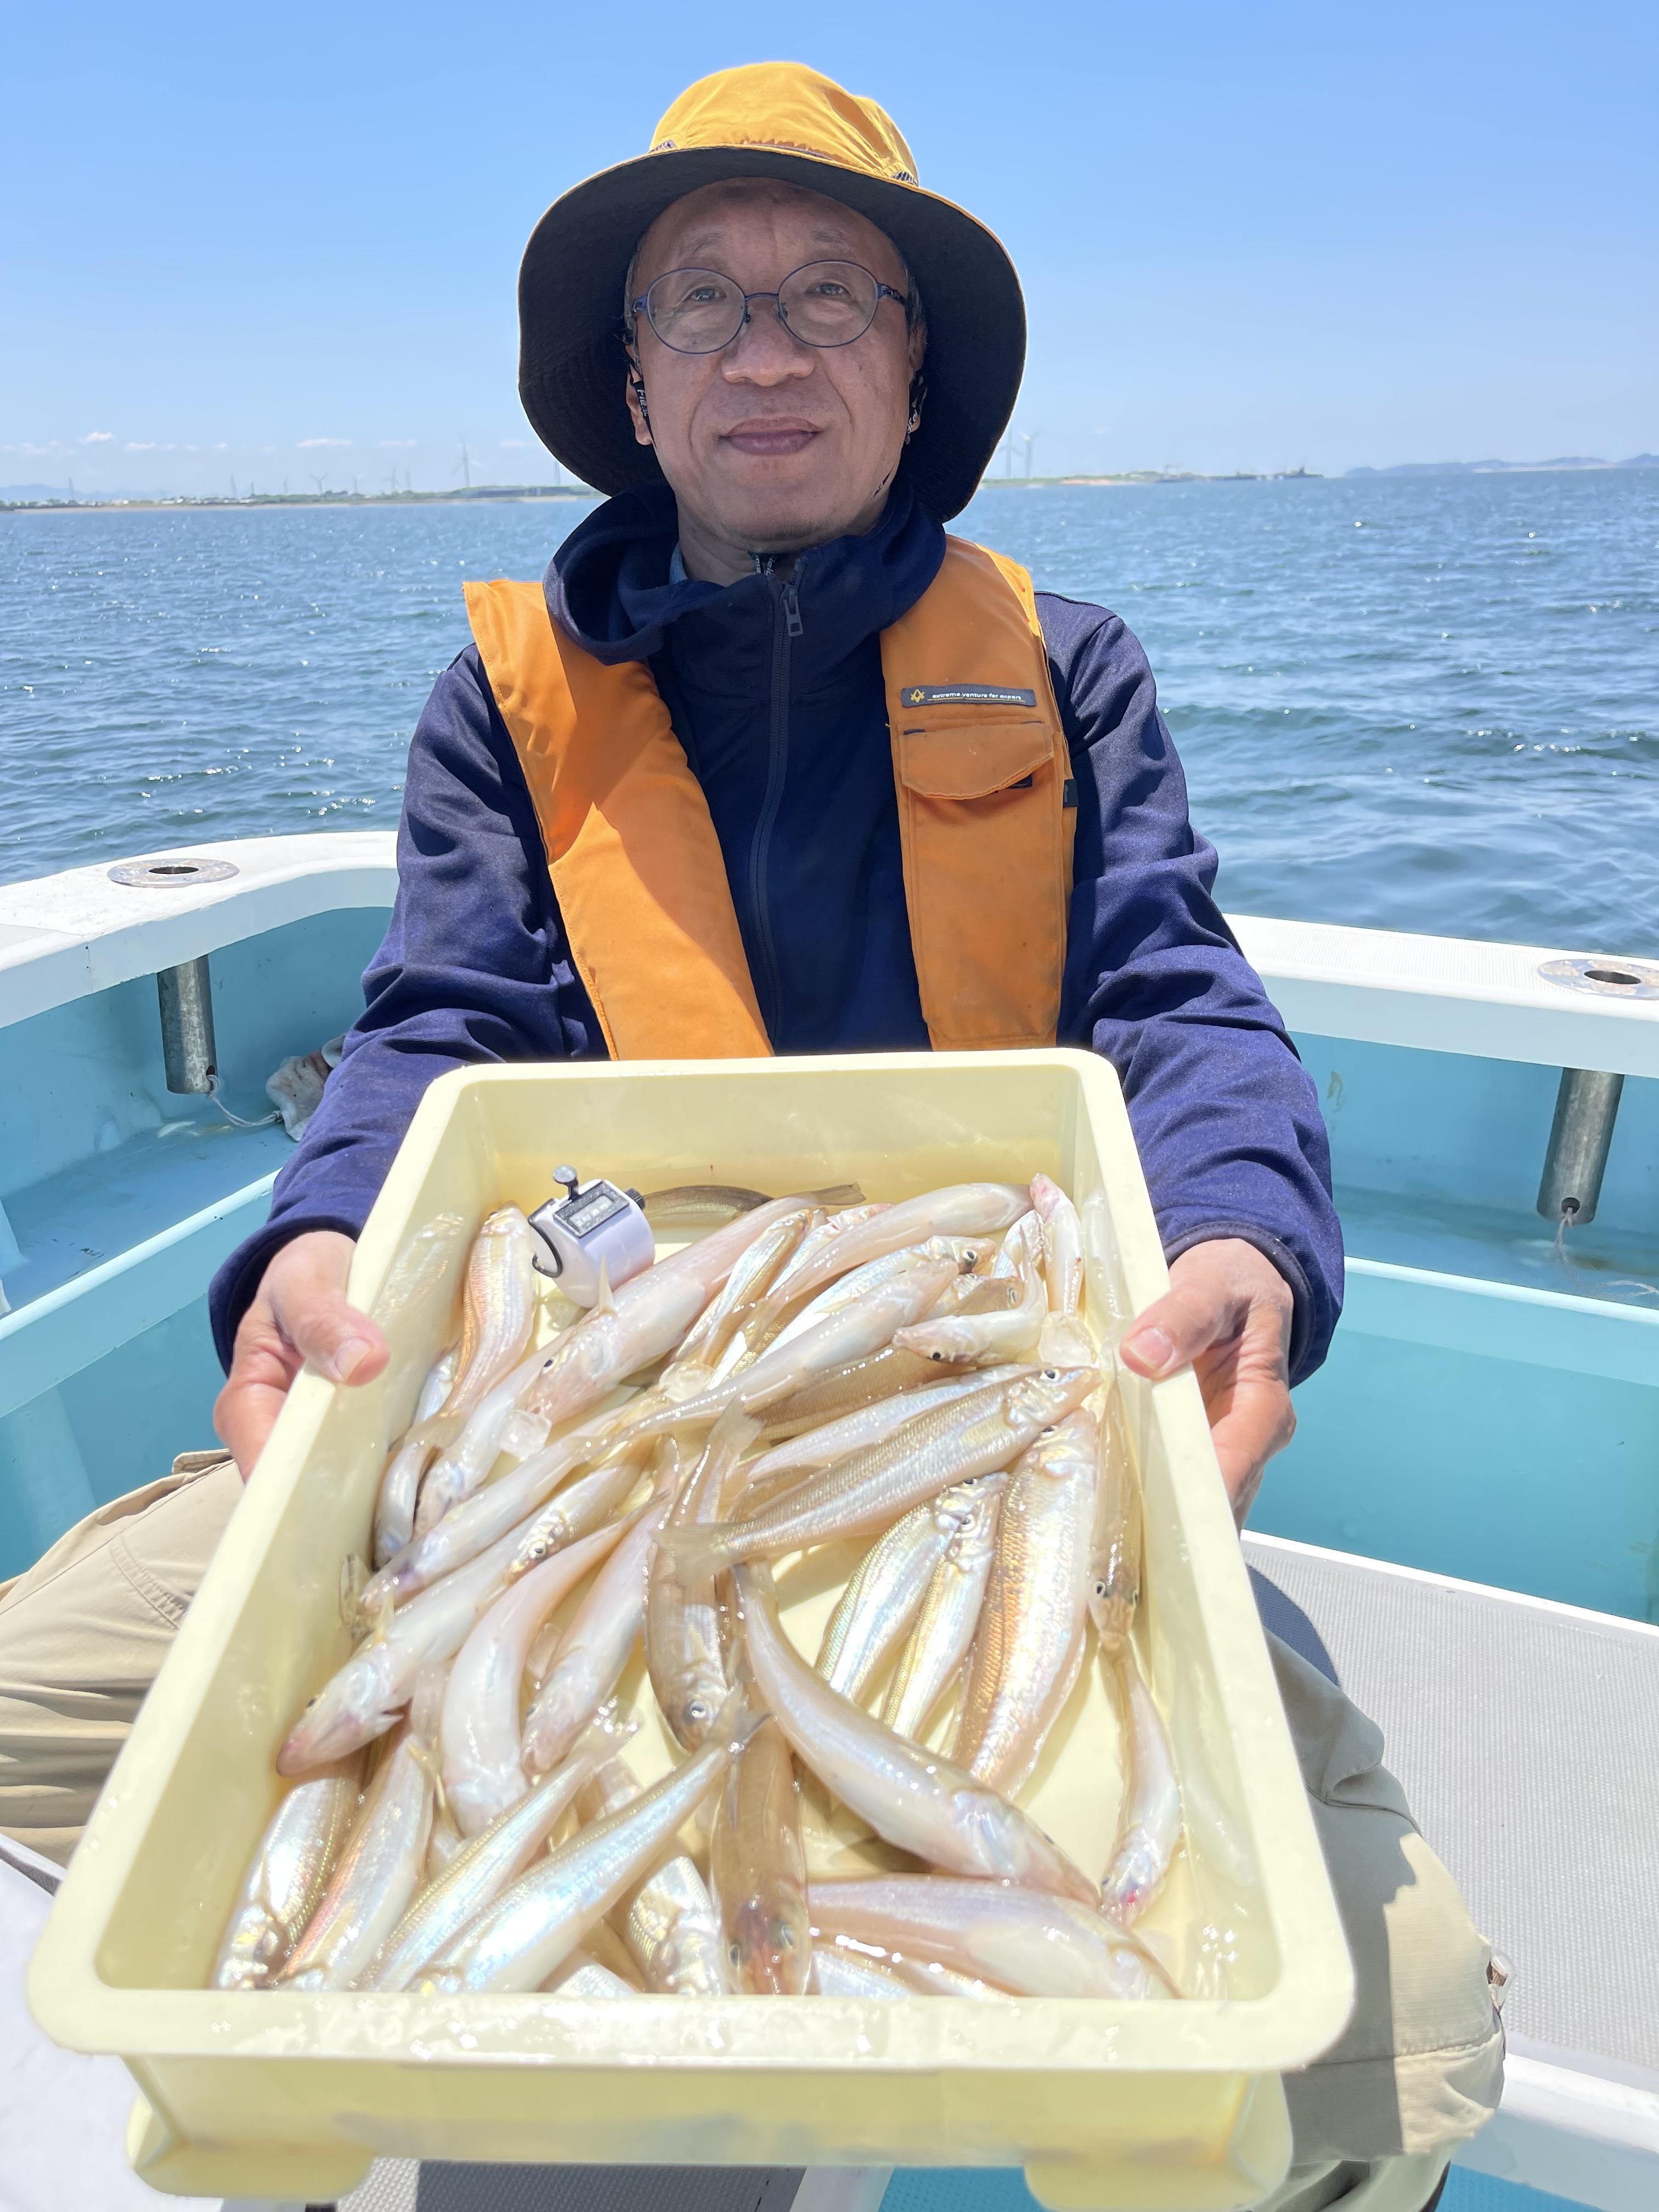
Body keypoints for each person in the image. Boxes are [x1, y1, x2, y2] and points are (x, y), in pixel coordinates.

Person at [0, 62, 1500, 2209]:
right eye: (701, 300)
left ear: (916, 377)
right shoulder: (503, 711)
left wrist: (1251, 1233)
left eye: (832, 296)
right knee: (26, 1697)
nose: (766, 346)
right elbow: (441, 1027)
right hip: (565, 1404)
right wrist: (319, 1242)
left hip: (983, 1406)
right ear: (633, 384)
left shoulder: (1067, 672)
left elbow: (1181, 999)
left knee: (1401, 2034)